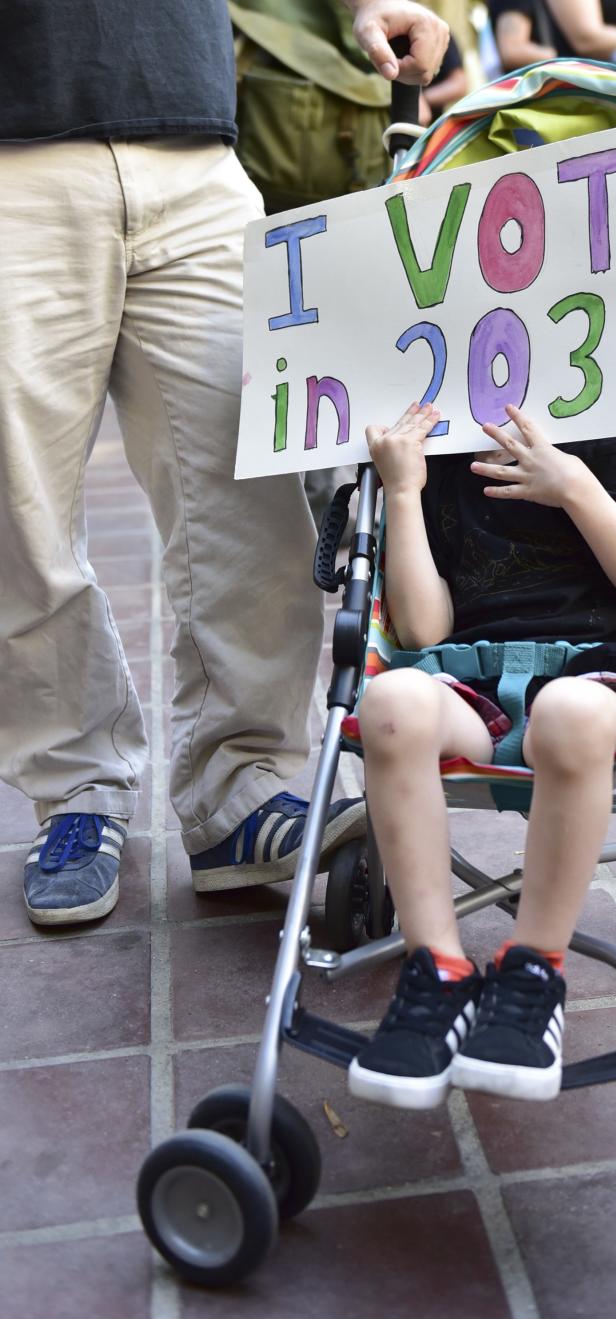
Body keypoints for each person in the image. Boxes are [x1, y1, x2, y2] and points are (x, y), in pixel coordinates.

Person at [1, 0, 449, 928]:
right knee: (20, 513)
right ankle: (78, 787)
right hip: (16, 157)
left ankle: (243, 791)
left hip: (199, 155)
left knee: (253, 497)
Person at [345, 401, 616, 1108]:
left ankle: (533, 968)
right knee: (387, 704)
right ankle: (436, 968)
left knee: (570, 711)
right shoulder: (444, 462)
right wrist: (405, 492)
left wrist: (574, 485)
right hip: (466, 682)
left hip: (597, 681)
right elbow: (419, 627)